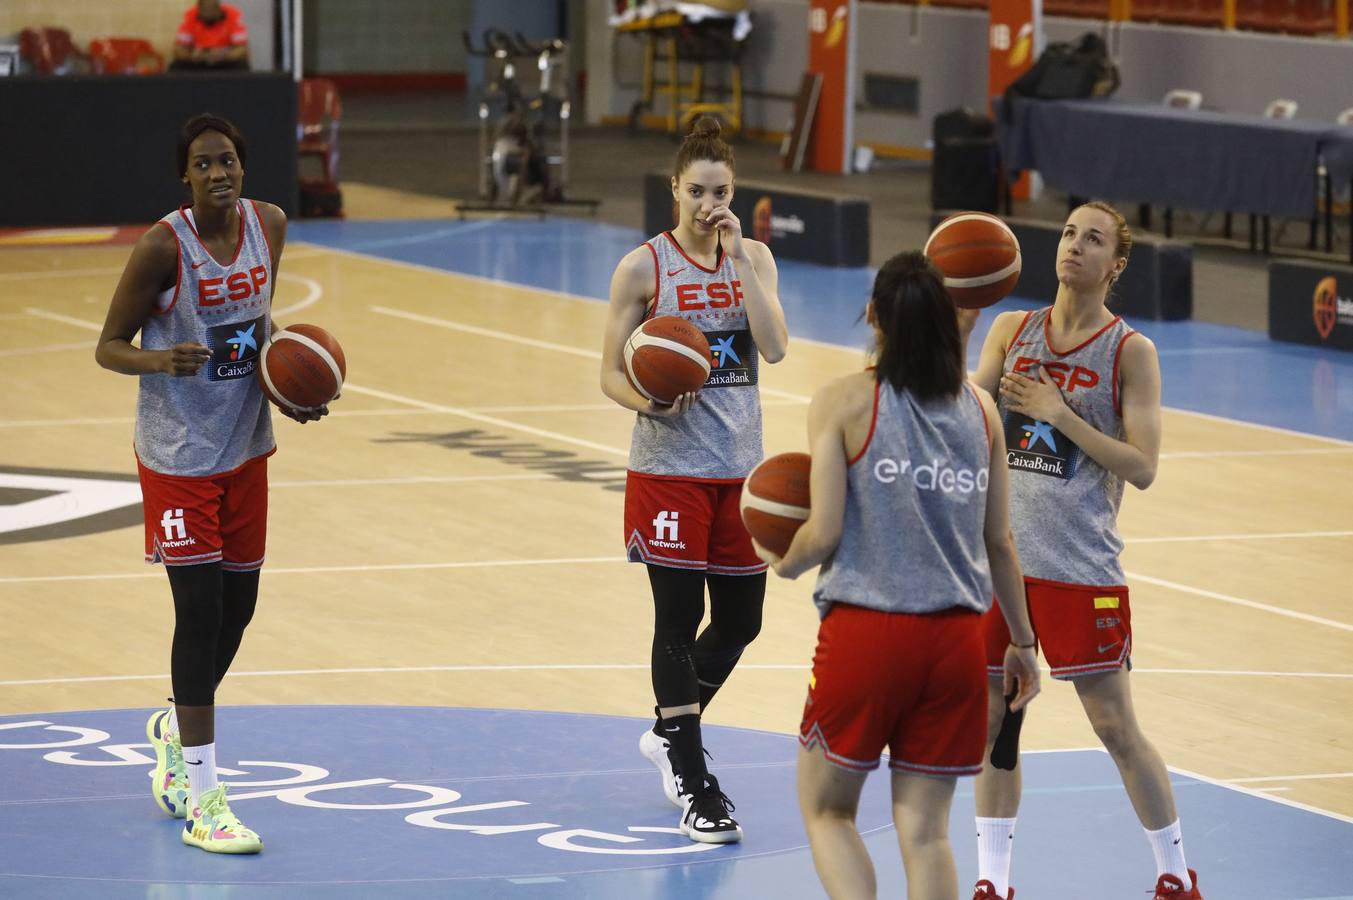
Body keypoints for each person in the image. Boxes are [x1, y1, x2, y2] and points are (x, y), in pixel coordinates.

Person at [754, 251, 1040, 900]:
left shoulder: (843, 401)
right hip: (957, 646)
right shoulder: (981, 412)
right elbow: (999, 541)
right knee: (927, 833)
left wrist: (784, 559)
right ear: (948, 322)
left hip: (868, 634)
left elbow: (821, 532)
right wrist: (1021, 644)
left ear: (873, 318)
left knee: (828, 812)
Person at [95, 113, 323, 854]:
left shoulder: (271, 225)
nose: (218, 173)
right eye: (203, 164)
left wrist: (292, 383)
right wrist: (161, 362)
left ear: (242, 169)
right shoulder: (164, 246)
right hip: (178, 452)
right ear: (185, 177)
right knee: (196, 614)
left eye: (228, 161)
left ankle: (171, 723)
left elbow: (261, 326)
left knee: (239, 610)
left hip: (245, 442)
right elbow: (107, 348)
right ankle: (203, 797)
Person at [967, 202, 1203, 899]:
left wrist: (1058, 414)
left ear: (1115, 264)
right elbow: (968, 417)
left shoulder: (1129, 350)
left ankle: (1173, 873)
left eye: (1092, 239)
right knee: (994, 725)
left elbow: (1142, 466)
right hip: (998, 561)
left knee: (1113, 726)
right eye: (1069, 233)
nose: (1074, 246)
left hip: (1078, 567)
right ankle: (992, 881)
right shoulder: (1011, 329)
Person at [600, 115, 789, 844]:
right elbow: (610, 374)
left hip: (740, 471)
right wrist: (647, 399)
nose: (710, 203)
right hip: (668, 467)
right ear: (674, 191)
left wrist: (741, 258)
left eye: (723, 191)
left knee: (743, 621)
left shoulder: (755, 260)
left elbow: (772, 349)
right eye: (697, 191)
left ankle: (667, 731)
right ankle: (692, 778)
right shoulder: (643, 268)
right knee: (675, 625)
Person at [170, 0, 250, 72]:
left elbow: (242, 48)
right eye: (205, 11)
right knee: (176, 66)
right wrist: (192, 56)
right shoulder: (190, 16)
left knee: (241, 66)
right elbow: (179, 49)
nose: (208, 14)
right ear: (199, 10)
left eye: (211, 11)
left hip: (224, 60)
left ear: (219, 8)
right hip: (198, 60)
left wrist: (224, 56)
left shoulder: (233, 15)